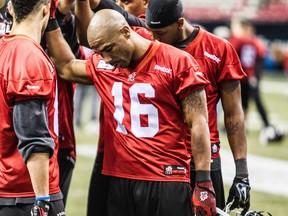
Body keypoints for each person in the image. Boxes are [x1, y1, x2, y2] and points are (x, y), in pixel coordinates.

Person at [77, 0, 251, 214]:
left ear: (179, 24)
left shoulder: (218, 49)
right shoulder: (143, 39)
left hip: (202, 161)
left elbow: (233, 116)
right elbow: (106, 24)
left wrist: (241, 173)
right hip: (160, 164)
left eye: (160, 33)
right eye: (151, 31)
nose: (153, 38)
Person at [46, 8, 217, 216]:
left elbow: (198, 123)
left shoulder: (179, 61)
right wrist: (51, 20)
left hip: (166, 178)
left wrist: (203, 181)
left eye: (109, 48)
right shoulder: (104, 65)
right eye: (100, 52)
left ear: (126, 32)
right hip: (119, 179)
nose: (106, 58)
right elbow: (66, 66)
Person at [0, 0, 65, 215]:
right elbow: (33, 137)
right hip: (25, 193)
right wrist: (43, 200)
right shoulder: (28, 55)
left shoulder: (4, 47)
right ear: (46, 8)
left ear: (10, 9)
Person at [229, 18, 284, 145]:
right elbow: (261, 57)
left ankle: (262, 125)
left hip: (243, 77)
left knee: (245, 104)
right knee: (247, 104)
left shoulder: (239, 41)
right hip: (250, 76)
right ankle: (258, 126)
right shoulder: (255, 42)